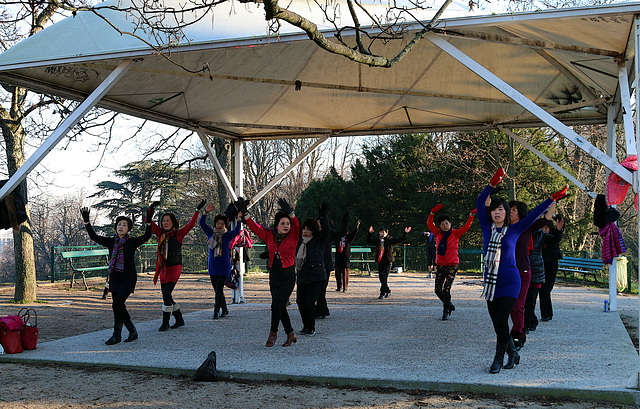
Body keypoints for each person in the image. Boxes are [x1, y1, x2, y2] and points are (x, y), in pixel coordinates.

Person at [476, 168, 566, 374]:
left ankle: (498, 359)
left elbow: (535, 214)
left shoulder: (515, 229)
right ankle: (514, 353)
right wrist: (491, 184)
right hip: (491, 283)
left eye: (501, 209)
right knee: (497, 324)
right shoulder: (486, 228)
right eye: (494, 210)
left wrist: (551, 199)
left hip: (511, 281)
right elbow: (480, 202)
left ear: (507, 213)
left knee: (501, 320)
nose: (497, 212)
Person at [80, 204, 154, 345]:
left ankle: (118, 334)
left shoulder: (131, 242)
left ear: (128, 229)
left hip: (128, 278)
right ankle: (129, 332)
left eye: (124, 225)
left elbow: (147, 235)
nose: (121, 227)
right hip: (115, 277)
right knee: (119, 306)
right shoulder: (111, 242)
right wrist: (87, 222)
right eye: (119, 224)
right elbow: (94, 236)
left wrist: (149, 222)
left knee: (117, 304)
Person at [241, 198, 299, 347]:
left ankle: (273, 333)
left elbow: (297, 225)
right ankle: (290, 334)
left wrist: (291, 213)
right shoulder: (269, 236)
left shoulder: (293, 236)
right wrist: (246, 214)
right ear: (277, 226)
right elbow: (254, 227)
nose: (286, 226)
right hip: (274, 275)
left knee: (276, 304)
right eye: (283, 224)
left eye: (288, 224)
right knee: (280, 305)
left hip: (288, 276)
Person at [508, 200, 555, 350]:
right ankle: (514, 331)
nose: (510, 212)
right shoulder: (503, 227)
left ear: (520, 213)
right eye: (509, 209)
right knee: (507, 307)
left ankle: (518, 334)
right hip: (506, 272)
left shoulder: (527, 226)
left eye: (513, 209)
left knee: (518, 306)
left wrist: (553, 201)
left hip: (523, 272)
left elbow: (545, 219)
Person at [152, 200, 204, 331]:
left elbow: (191, 224)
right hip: (163, 269)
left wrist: (197, 210)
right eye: (163, 220)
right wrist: (150, 209)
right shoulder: (160, 234)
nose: (165, 223)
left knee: (166, 294)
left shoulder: (178, 234)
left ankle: (165, 322)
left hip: (174, 268)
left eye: (167, 220)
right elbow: (150, 223)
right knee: (167, 295)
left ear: (173, 222)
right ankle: (179, 318)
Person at [427, 203, 476, 320]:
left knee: (446, 289)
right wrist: (432, 213)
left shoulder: (456, 233)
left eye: (447, 223)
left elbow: (467, 226)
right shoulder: (438, 233)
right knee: (437, 289)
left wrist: (471, 215)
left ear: (450, 224)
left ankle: (446, 311)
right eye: (443, 224)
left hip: (452, 264)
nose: (445, 226)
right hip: (440, 264)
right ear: (439, 226)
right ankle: (449, 304)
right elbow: (429, 224)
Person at [199, 202, 242, 319]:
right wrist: (205, 212)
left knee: (219, 289)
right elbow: (201, 223)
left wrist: (239, 219)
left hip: (224, 266)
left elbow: (238, 231)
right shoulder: (210, 233)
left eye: (222, 224)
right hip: (213, 266)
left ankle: (216, 311)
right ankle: (225, 309)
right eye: (218, 223)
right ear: (215, 224)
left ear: (225, 225)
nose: (220, 225)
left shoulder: (227, 235)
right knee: (217, 290)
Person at [296, 203, 331, 336]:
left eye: (308, 229)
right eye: (304, 228)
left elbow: (326, 230)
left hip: (316, 277)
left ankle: (311, 327)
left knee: (309, 302)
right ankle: (306, 325)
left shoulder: (319, 240)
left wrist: (323, 217)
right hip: (302, 276)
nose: (305, 231)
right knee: (300, 302)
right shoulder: (300, 241)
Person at [316, 210, 347, 318]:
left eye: (321, 222)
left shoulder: (329, 233)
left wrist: (345, 222)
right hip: (314, 265)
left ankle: (321, 311)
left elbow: (342, 233)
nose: (319, 224)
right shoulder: (314, 234)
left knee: (321, 289)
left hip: (326, 265)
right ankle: (323, 310)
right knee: (317, 290)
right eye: (318, 222)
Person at [366, 224, 411, 299]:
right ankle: (388, 290)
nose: (381, 234)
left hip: (388, 260)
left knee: (384, 277)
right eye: (380, 232)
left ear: (386, 233)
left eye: (383, 232)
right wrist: (370, 233)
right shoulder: (378, 240)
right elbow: (368, 240)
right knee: (381, 278)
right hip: (380, 260)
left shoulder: (390, 239)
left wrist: (405, 233)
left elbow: (400, 239)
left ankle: (382, 293)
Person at [539, 215, 565, 322]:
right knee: (541, 290)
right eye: (542, 228)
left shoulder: (554, 235)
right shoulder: (538, 237)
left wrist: (553, 215)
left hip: (551, 264)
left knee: (546, 289)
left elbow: (560, 230)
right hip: (540, 264)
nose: (544, 230)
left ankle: (547, 314)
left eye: (546, 228)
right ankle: (545, 314)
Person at [523, 226, 546, 334]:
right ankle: (531, 320)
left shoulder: (540, 234)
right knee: (522, 302)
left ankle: (526, 325)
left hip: (535, 271)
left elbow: (554, 240)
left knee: (530, 301)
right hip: (522, 269)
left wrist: (560, 230)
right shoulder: (521, 231)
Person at [335, 218, 360, 292]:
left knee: (345, 271)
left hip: (345, 257)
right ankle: (339, 285)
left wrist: (357, 227)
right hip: (338, 256)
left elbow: (354, 233)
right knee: (337, 272)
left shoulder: (349, 237)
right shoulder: (338, 237)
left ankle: (345, 287)